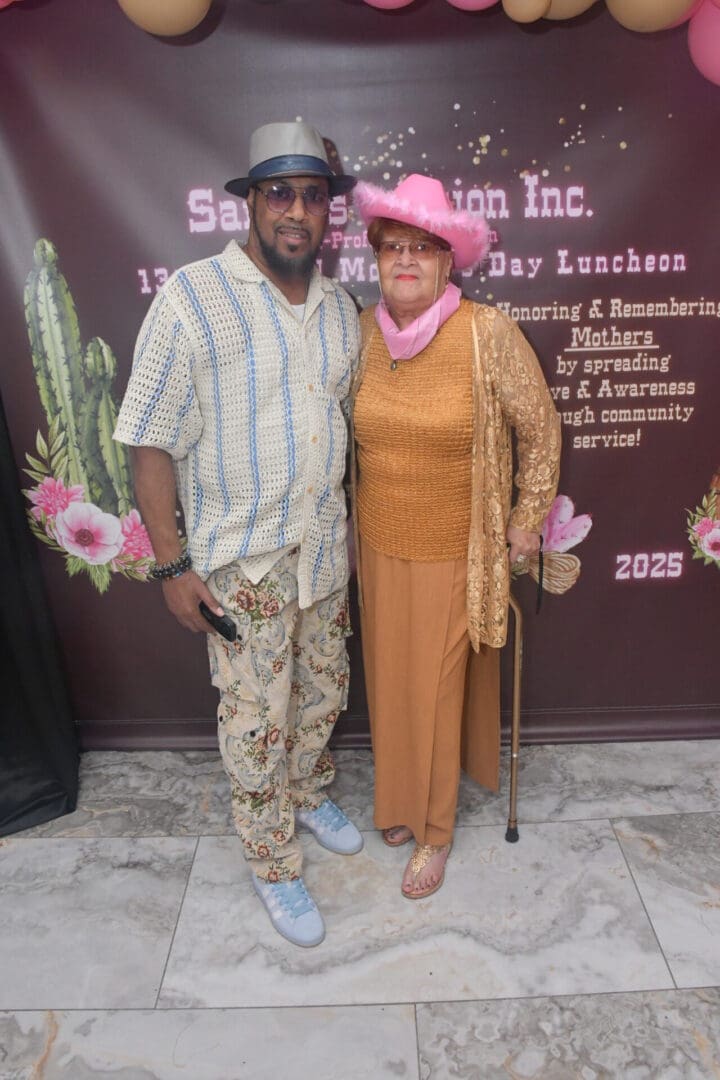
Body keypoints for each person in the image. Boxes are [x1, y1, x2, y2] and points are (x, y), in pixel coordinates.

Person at [114, 121, 363, 948]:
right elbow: (149, 438)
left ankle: (307, 789)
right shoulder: (192, 296)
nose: (298, 212)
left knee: (322, 694)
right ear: (251, 201)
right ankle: (272, 860)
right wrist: (173, 566)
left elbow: (347, 427)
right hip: (242, 567)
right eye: (280, 193)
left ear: (330, 213)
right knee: (255, 719)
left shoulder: (341, 311)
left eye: (313, 196)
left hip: (322, 554)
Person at [351, 173, 561, 900]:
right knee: (389, 679)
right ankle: (399, 803)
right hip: (378, 542)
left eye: (422, 246)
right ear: (375, 258)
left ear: (448, 260)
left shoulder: (485, 332)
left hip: (455, 546)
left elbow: (539, 427)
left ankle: (435, 831)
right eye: (392, 246)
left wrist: (527, 518)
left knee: (438, 687)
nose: (405, 259)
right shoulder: (363, 335)